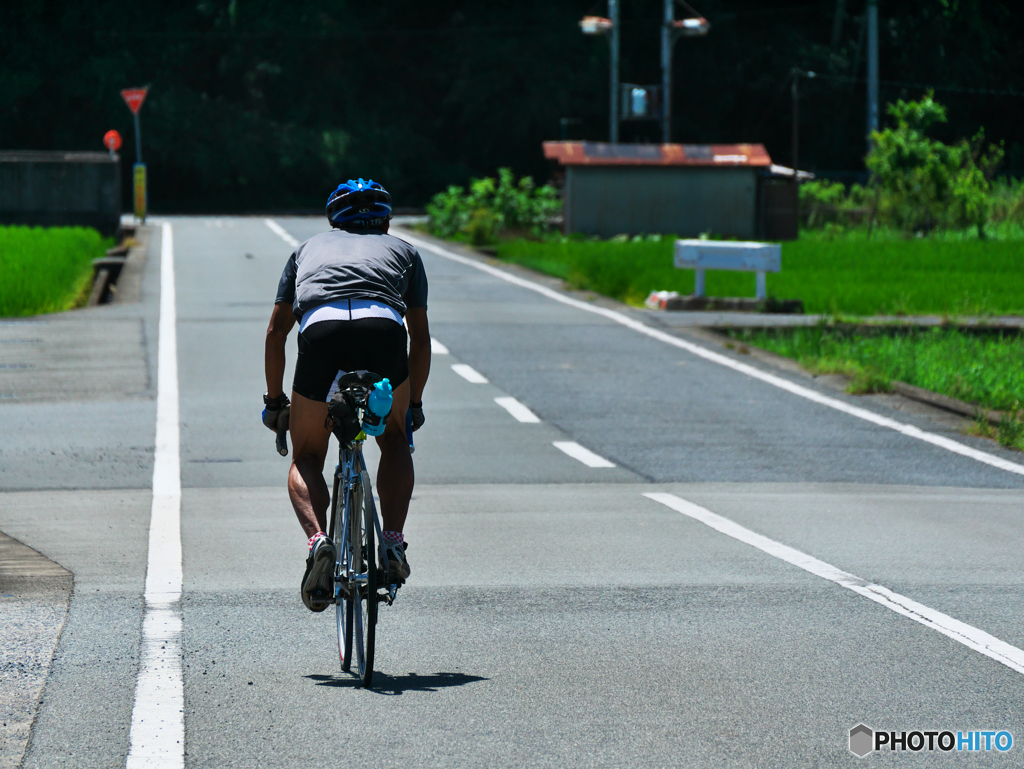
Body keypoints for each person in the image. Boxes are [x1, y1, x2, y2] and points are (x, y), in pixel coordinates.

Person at [262, 179, 430, 612]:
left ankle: (319, 541)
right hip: (383, 328)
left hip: (322, 329)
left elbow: (276, 332)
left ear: (333, 220)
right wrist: (412, 406)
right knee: (393, 439)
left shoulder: (305, 250)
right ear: (387, 221)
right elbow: (421, 337)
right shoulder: (406, 252)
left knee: (307, 457)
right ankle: (392, 543)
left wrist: (275, 402)